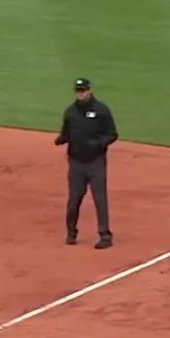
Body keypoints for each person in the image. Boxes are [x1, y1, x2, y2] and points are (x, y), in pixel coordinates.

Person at [55, 78, 118, 249]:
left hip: (96, 162)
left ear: (90, 90)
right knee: (74, 200)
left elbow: (112, 134)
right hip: (76, 163)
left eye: (83, 90)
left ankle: (105, 236)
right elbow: (66, 133)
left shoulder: (101, 110)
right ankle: (71, 233)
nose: (80, 94)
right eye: (78, 91)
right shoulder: (70, 112)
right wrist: (61, 140)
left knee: (100, 199)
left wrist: (98, 144)